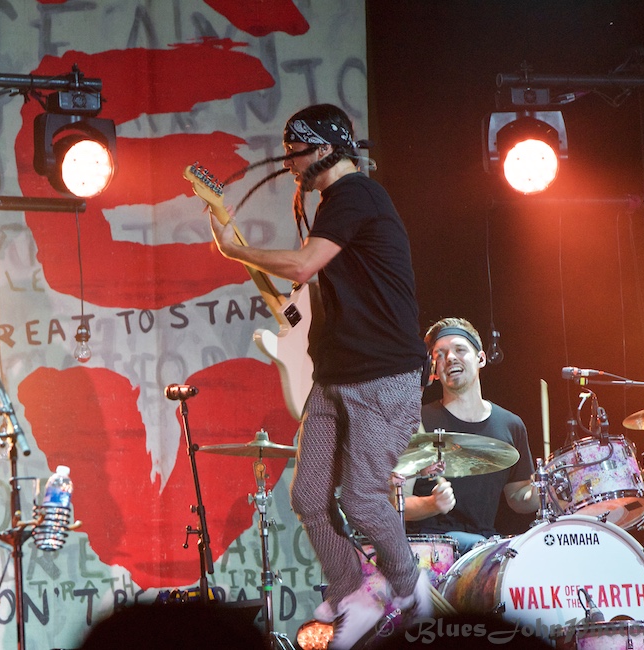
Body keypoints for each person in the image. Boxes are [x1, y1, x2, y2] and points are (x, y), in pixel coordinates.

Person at [208, 103, 430, 649]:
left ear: (326, 149)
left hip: (382, 374)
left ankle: (409, 591)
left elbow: (305, 264)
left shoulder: (356, 195)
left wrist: (233, 249)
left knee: (361, 498)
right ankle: (351, 587)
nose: (289, 164)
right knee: (307, 496)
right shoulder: (336, 204)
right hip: (335, 375)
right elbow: (311, 285)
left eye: (297, 152)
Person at [403, 317, 539, 555]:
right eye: (440, 354)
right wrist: (431, 504)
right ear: (434, 369)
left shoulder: (510, 424)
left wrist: (553, 493)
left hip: (485, 549)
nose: (450, 358)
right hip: (432, 550)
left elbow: (518, 496)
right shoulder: (418, 423)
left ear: (481, 358)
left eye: (459, 349)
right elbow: (395, 503)